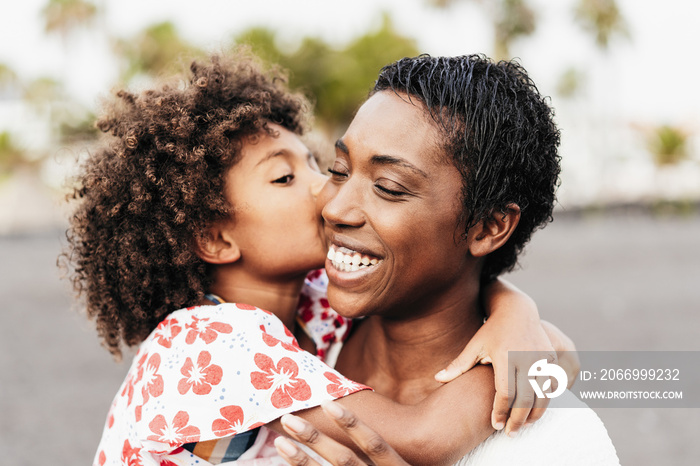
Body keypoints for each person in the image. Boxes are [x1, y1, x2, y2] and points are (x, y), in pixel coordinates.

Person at [64, 51, 576, 466]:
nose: (327, 195)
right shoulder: (205, 345)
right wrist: (530, 357)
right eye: (285, 179)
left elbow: (459, 291)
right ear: (217, 239)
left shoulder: (314, 311)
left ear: (489, 227)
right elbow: (421, 440)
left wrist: (515, 312)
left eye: (319, 164)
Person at [273, 54, 620, 465]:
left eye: (388, 187)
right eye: (339, 169)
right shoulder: (297, 334)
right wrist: (514, 307)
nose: (335, 209)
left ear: (488, 228)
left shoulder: (556, 442)